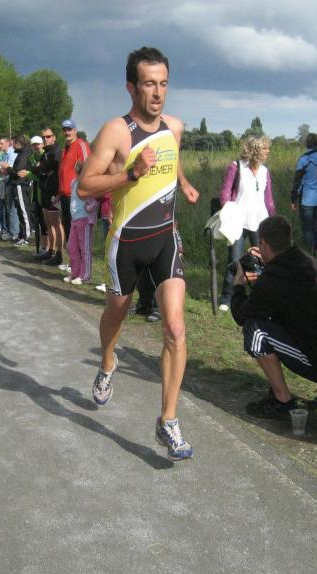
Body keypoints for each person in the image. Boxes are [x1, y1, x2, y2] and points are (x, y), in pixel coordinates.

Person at [78, 46, 199, 460]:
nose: (158, 92)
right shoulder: (116, 132)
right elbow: (85, 186)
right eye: (149, 84)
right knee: (116, 313)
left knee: (176, 328)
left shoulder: (175, 127)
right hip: (125, 244)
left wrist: (183, 183)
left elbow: (172, 157)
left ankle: (168, 420)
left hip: (165, 238)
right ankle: (107, 361)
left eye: (163, 83)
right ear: (131, 87)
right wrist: (130, 173)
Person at [230, 216, 317, 418]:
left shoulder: (273, 279)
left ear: (263, 243)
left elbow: (241, 315)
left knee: (255, 330)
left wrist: (239, 284)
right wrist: (267, 266)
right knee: (291, 322)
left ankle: (282, 401)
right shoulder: (308, 261)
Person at [217, 134, 275, 311]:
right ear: (255, 149)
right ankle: (227, 298)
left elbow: (269, 200)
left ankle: (259, 297)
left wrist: (274, 221)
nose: (268, 151)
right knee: (235, 260)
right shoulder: (236, 167)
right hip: (238, 222)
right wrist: (227, 213)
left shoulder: (265, 171)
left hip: (261, 222)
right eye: (265, 148)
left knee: (262, 261)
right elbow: (225, 193)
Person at [291, 133, 317, 253]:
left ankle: (309, 253)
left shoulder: (304, 159)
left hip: (307, 199)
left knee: (307, 228)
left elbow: (297, 181)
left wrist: (293, 199)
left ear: (307, 144)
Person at [57, 119, 91, 269]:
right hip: (65, 194)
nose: (67, 132)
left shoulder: (81, 145)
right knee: (69, 230)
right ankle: (73, 262)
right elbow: (64, 172)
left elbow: (88, 167)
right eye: (64, 130)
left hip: (76, 195)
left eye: (69, 129)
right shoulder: (66, 147)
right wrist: (59, 192)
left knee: (77, 232)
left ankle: (80, 266)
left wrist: (84, 190)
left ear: (75, 131)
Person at [35, 128, 63, 263]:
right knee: (48, 221)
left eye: (48, 136)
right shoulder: (46, 152)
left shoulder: (57, 151)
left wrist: (42, 169)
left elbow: (46, 169)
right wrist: (41, 169)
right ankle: (50, 250)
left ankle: (59, 254)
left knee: (56, 222)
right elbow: (37, 170)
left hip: (54, 190)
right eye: (43, 137)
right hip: (45, 189)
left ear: (54, 137)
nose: (45, 139)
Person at [66, 166, 98, 284]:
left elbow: (95, 201)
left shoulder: (88, 184)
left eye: (81, 173)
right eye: (77, 173)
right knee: (71, 247)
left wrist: (90, 206)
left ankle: (85, 275)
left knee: (85, 248)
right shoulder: (74, 182)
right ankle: (75, 272)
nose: (79, 175)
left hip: (85, 219)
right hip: (75, 219)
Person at [6, 135, 33, 246]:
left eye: (13, 143)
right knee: (20, 212)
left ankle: (26, 237)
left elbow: (18, 172)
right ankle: (22, 235)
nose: (12, 145)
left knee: (23, 211)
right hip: (18, 185)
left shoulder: (23, 155)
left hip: (21, 185)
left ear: (18, 143)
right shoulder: (22, 153)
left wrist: (7, 168)